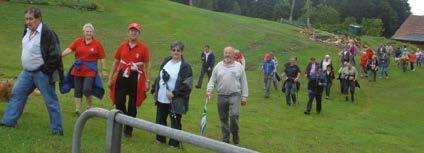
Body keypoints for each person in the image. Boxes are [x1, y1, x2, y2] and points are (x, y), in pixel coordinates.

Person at [0, 7, 65, 135]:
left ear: (39, 18)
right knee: (17, 94)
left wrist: (45, 71)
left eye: (30, 19)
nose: (28, 22)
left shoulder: (47, 33)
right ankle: (8, 121)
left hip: (42, 73)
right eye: (26, 19)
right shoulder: (27, 30)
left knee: (50, 101)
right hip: (27, 73)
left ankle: (57, 130)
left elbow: (56, 55)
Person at [108, 22, 151, 138]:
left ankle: (128, 130)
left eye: (135, 31)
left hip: (135, 77)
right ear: (128, 33)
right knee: (119, 100)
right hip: (122, 75)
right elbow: (116, 62)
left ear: (139, 33)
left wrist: (147, 81)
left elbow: (147, 65)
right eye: (131, 30)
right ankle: (124, 118)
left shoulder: (143, 48)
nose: (133, 33)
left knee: (132, 104)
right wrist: (110, 78)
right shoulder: (122, 46)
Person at [151, 41, 192, 148]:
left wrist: (174, 93)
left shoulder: (185, 67)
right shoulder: (166, 61)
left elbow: (187, 86)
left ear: (182, 52)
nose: (176, 52)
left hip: (175, 100)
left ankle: (174, 143)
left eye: (178, 50)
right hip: (161, 97)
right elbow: (159, 77)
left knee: (175, 121)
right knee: (160, 119)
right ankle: (160, 139)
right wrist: (154, 90)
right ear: (171, 51)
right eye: (174, 50)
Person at [60, 23, 107, 116]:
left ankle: (89, 107)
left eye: (90, 31)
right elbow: (69, 49)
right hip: (77, 69)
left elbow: (102, 57)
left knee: (86, 89)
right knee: (77, 90)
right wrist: (60, 56)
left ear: (92, 33)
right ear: (83, 32)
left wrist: (104, 70)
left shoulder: (97, 44)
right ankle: (77, 110)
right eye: (87, 31)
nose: (88, 33)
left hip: (90, 70)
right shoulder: (78, 41)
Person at [206, 46, 248, 145]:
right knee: (223, 118)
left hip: (235, 95)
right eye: (226, 53)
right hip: (221, 95)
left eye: (229, 53)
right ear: (223, 54)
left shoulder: (239, 66)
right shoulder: (218, 66)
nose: (227, 55)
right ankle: (225, 139)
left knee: (234, 115)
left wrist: (244, 96)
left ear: (234, 55)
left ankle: (235, 133)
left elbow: (244, 82)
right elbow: (212, 80)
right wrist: (209, 90)